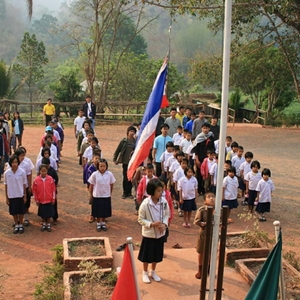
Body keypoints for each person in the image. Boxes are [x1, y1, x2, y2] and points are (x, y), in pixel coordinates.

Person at [138, 179, 170, 283]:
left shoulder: (164, 202)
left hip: (160, 234)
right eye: (158, 191)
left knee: (156, 254)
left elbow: (166, 214)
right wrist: (151, 224)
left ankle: (153, 271)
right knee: (147, 255)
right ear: (152, 191)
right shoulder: (145, 204)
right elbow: (140, 219)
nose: (161, 193)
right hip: (149, 234)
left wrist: (164, 224)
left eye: (161, 191)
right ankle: (145, 272)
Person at [88, 158, 116, 232]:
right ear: (98, 166)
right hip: (97, 195)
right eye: (101, 166)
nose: (102, 168)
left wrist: (110, 193)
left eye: (104, 166)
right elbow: (91, 185)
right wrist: (91, 194)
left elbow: (111, 184)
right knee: (97, 210)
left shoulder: (109, 174)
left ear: (106, 166)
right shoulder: (94, 174)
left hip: (106, 195)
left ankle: (103, 222)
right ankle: (98, 223)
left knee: (104, 210)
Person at [194, 192, 215, 279]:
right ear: (204, 201)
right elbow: (196, 221)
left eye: (213, 196)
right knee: (201, 251)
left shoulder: (219, 210)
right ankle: (200, 269)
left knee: (211, 252)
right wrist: (204, 223)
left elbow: (221, 220)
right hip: (203, 233)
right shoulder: (202, 210)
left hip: (213, 234)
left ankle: (209, 269)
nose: (211, 198)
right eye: (208, 197)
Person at [4, 155, 27, 234]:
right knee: (14, 211)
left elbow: (24, 184)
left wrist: (25, 196)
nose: (15, 164)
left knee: (21, 211)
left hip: (20, 194)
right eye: (13, 162)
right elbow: (6, 185)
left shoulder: (22, 172)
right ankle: (16, 224)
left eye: (16, 162)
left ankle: (21, 224)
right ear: (10, 163)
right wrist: (7, 198)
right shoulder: (7, 173)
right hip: (12, 195)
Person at [113, 126, 136, 199]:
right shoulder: (124, 141)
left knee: (131, 178)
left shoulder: (135, 142)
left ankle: (129, 192)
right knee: (125, 177)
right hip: (125, 162)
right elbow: (118, 150)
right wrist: (115, 158)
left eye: (133, 132)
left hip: (132, 163)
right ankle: (125, 192)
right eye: (131, 131)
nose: (132, 133)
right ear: (127, 132)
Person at [192, 122, 215, 195]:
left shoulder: (211, 136)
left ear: (209, 128)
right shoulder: (199, 137)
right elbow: (196, 150)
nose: (205, 130)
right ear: (202, 129)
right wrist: (197, 159)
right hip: (200, 159)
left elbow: (213, 148)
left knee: (209, 174)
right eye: (204, 128)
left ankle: (207, 189)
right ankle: (199, 190)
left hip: (209, 159)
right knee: (199, 174)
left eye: (207, 128)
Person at [32, 164, 56, 232]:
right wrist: (36, 199)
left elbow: (53, 189)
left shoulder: (50, 179)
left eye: (45, 171)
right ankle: (44, 223)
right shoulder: (36, 180)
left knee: (48, 213)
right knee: (42, 213)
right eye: (42, 171)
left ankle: (48, 223)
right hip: (41, 200)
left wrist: (53, 198)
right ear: (39, 171)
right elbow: (34, 191)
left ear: (47, 171)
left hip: (49, 199)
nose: (43, 172)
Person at [42, 157, 59, 224]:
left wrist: (54, 186)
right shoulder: (41, 171)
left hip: (52, 191)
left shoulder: (52, 171)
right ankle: (44, 218)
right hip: (44, 191)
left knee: (53, 204)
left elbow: (56, 179)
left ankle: (54, 218)